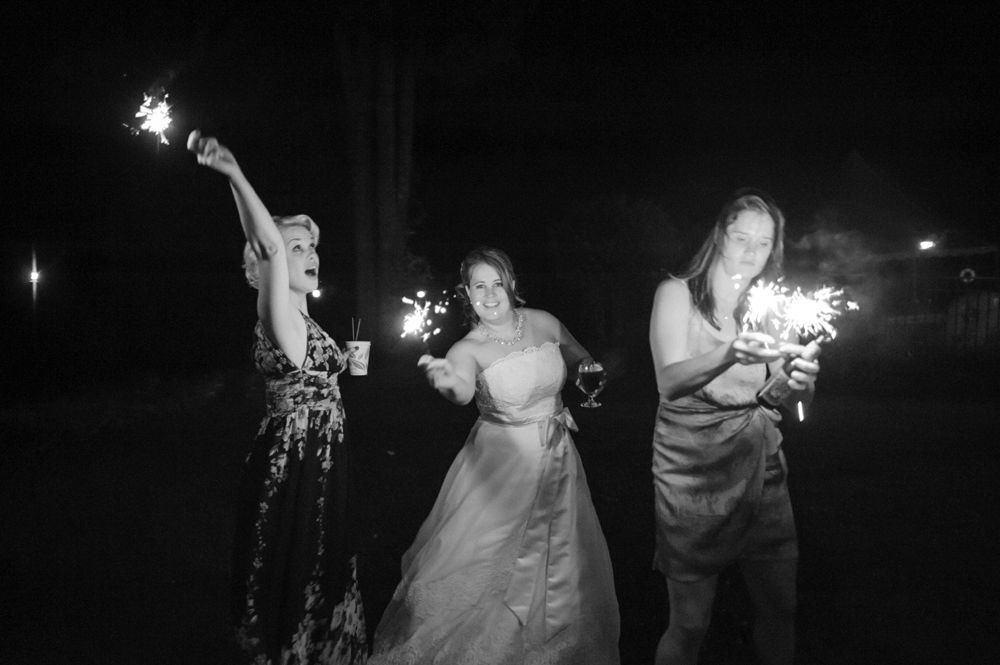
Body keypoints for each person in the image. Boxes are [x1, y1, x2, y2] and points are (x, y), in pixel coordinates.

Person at [369, 247, 620, 664]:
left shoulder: (544, 322)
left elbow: (582, 364)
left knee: (561, 556)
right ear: (467, 293)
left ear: (512, 284)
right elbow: (462, 393)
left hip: (558, 457)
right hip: (500, 468)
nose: (489, 294)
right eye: (478, 286)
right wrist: (447, 383)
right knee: (489, 561)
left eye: (496, 283)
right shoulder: (465, 350)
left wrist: (592, 374)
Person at [190, 131, 368, 665]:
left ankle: (317, 646)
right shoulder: (278, 313)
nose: (310, 254)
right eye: (297, 248)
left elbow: (320, 377)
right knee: (298, 557)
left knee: (321, 553)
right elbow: (267, 245)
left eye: (312, 246)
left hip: (322, 451)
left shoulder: (304, 318)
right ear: (265, 266)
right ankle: (293, 650)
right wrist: (235, 175)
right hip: (296, 459)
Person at [648, 190, 820, 665]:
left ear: (773, 251)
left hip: (761, 464)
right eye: (741, 237)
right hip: (693, 469)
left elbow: (781, 398)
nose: (750, 251)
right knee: (690, 623)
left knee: (781, 607)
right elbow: (669, 380)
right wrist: (730, 353)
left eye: (762, 243)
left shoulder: (770, 306)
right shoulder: (677, 292)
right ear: (720, 235)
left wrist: (802, 382)